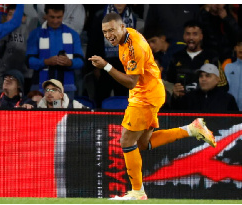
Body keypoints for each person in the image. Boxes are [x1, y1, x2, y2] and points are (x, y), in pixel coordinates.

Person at [88, 13, 216, 200]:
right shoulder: (126, 37)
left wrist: (106, 66)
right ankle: (191, 129)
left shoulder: (134, 47)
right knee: (141, 143)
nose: (108, 35)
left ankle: (137, 192)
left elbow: (131, 82)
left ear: (122, 26)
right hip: (149, 92)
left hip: (144, 96)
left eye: (111, 30)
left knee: (126, 141)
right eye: (105, 32)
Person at [26, 4, 84, 101]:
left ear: (63, 15)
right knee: (41, 116)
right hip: (41, 88)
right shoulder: (36, 34)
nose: (55, 21)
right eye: (52, 17)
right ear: (46, 15)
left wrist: (69, 62)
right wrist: (46, 62)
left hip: (66, 88)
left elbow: (81, 61)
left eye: (59, 17)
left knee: (65, 116)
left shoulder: (73, 34)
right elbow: (29, 61)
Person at [85, 4, 137, 108]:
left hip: (123, 65)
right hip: (104, 64)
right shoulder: (100, 16)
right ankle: (99, 122)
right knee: (101, 97)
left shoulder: (132, 17)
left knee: (122, 98)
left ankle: (120, 123)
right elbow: (93, 42)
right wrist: (95, 66)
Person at [166, 20, 228, 93]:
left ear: (201, 36)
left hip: (205, 103)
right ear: (183, 36)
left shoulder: (211, 57)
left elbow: (223, 85)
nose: (191, 37)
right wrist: (174, 91)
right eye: (188, 34)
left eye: (195, 34)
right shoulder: (176, 57)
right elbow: (169, 83)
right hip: (183, 103)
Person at [0, 4, 38, 95]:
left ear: (23, 17)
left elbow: (34, 16)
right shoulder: (2, 30)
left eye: (15, 15)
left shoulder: (28, 28)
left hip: (25, 74)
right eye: (10, 14)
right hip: (5, 72)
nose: (12, 17)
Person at [171, 63, 239, 112]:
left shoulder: (227, 99)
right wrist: (175, 97)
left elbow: (234, 123)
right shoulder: (189, 97)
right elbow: (176, 117)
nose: (203, 79)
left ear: (217, 79)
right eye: (201, 76)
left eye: (208, 76)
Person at [224, 36, 242, 111]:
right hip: (231, 110)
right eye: (239, 45)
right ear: (235, 48)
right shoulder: (228, 67)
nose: (241, 48)